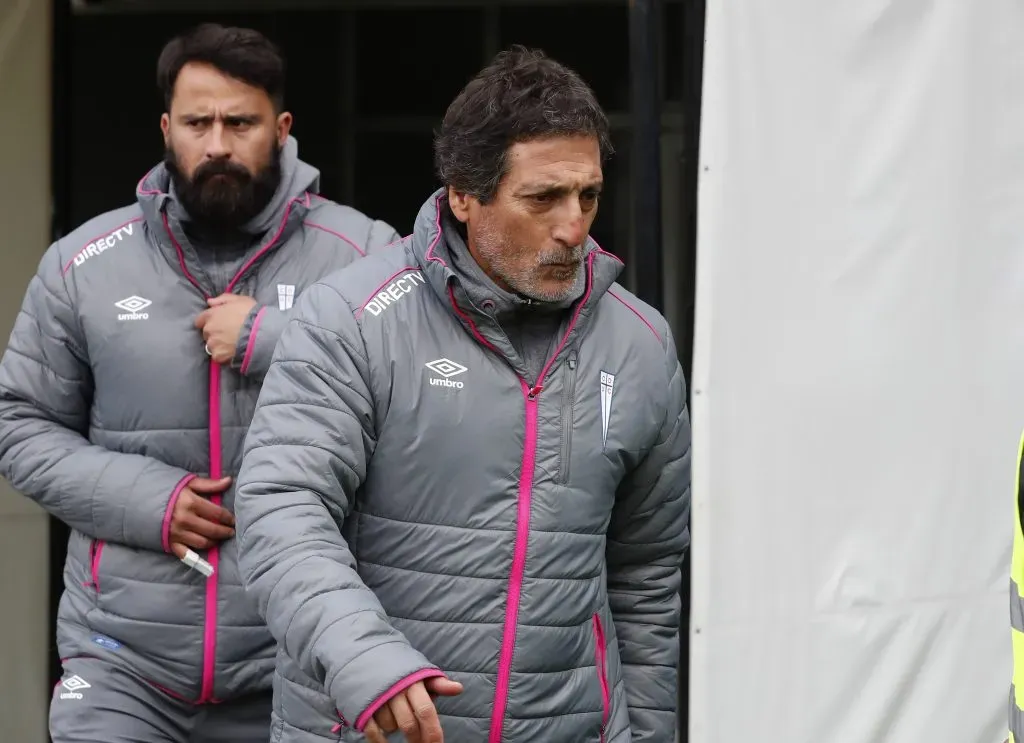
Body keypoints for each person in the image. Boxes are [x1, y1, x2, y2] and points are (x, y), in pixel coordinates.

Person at [233, 45, 691, 743]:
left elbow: (646, 575)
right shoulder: (350, 319)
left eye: (588, 194)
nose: (575, 226)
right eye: (542, 198)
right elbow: (282, 509)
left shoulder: (642, 343)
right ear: (463, 195)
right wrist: (364, 657)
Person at [0, 23, 398, 743]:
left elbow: (414, 392)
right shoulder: (83, 262)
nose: (217, 143)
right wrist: (152, 501)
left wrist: (275, 337)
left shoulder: (364, 253)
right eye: (197, 122)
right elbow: (20, 425)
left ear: (280, 129)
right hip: (120, 663)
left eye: (239, 122)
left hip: (294, 661)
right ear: (165, 128)